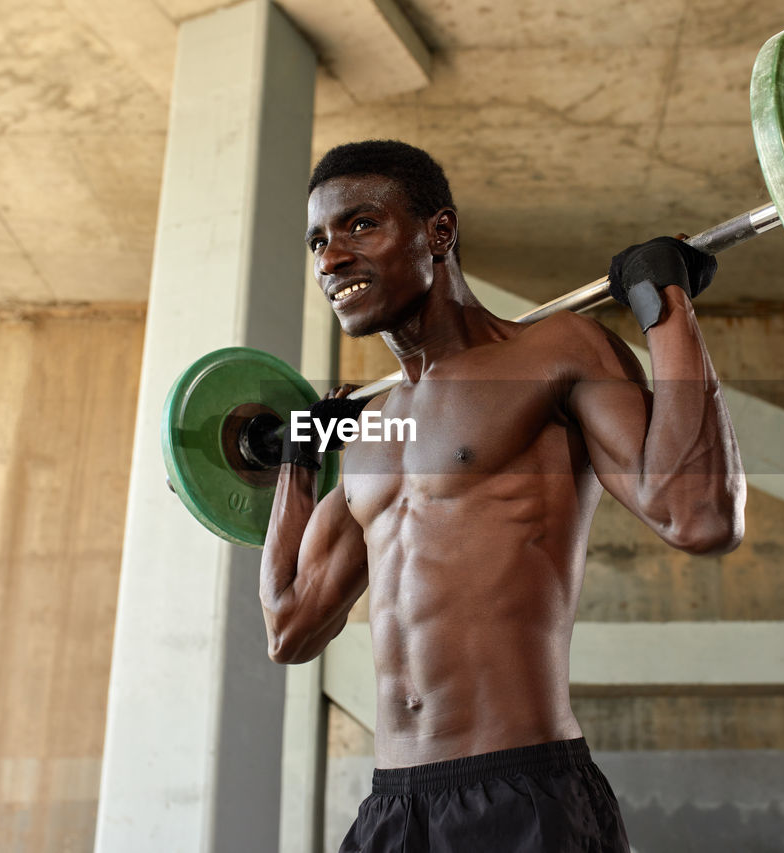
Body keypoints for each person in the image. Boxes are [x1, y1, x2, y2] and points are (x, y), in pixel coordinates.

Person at [260, 140, 746, 852]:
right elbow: (289, 626)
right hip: (393, 812)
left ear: (439, 233)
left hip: (522, 794)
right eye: (318, 241)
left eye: (361, 225)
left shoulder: (555, 354)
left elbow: (698, 515)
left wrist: (663, 302)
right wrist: (300, 466)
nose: (331, 259)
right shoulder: (371, 429)